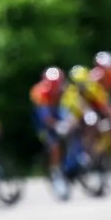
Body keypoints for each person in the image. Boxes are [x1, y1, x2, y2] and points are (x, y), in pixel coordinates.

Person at [30, 66, 73, 198]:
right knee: (53, 144)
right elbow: (44, 115)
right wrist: (57, 125)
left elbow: (69, 107)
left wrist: (70, 121)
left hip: (58, 112)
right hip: (43, 120)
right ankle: (56, 172)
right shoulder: (39, 92)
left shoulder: (66, 89)